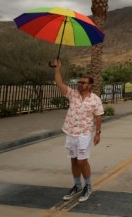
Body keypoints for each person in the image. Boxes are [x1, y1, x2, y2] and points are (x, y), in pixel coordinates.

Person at [54, 59, 104, 203]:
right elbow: (59, 83)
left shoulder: (95, 99)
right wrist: (57, 68)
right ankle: (77, 186)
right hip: (70, 132)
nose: (80, 84)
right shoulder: (73, 94)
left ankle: (87, 186)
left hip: (84, 134)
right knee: (74, 160)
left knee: (82, 161)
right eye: (79, 82)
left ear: (90, 85)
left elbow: (98, 116)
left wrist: (98, 133)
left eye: (83, 83)